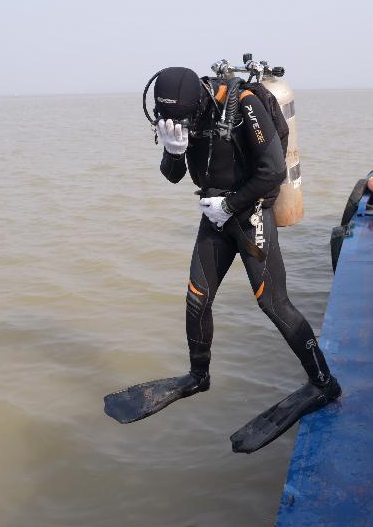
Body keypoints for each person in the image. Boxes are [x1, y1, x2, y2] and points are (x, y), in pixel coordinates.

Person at [104, 67, 340, 453]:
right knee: (196, 296)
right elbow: (172, 175)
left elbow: (274, 171)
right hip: (214, 213)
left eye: (183, 121)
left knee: (272, 302)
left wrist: (231, 204)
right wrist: (172, 152)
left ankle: (324, 381)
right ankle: (199, 376)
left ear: (198, 104)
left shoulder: (244, 105)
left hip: (248, 214)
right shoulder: (181, 119)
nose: (180, 126)